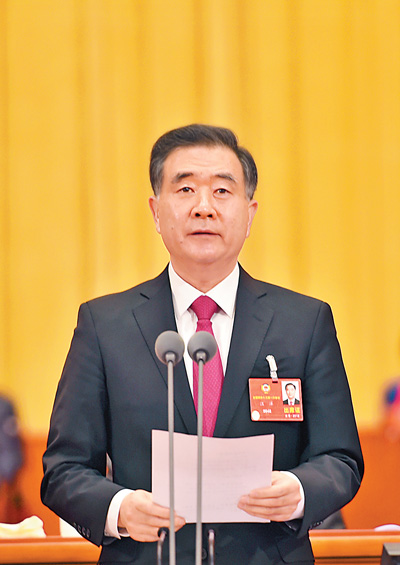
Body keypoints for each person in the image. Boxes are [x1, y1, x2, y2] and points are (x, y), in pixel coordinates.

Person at [41, 124, 364, 564]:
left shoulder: (304, 322)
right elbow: (63, 469)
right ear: (156, 212)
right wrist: (119, 509)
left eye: (222, 191)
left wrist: (300, 491)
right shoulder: (105, 325)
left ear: (250, 214)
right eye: (186, 189)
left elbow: (341, 458)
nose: (204, 208)